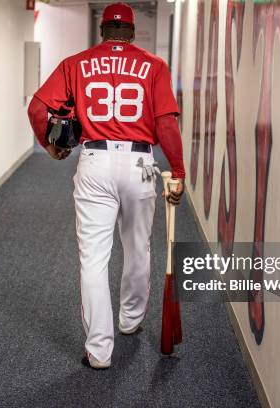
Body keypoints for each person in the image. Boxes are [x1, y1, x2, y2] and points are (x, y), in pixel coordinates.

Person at [27, 2, 185, 369]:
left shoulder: (76, 63)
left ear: (102, 31)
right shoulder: (155, 66)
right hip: (141, 163)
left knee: (94, 259)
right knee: (138, 247)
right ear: (130, 32)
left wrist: (49, 146)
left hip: (94, 162)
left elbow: (38, 107)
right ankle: (130, 320)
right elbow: (166, 124)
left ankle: (99, 350)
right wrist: (177, 171)